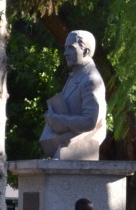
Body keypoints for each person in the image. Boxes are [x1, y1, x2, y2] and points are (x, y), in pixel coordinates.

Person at [40, 30, 107, 160]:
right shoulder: (75, 77)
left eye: (71, 48)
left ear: (86, 52)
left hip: (81, 147)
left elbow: (90, 121)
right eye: (65, 48)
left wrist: (58, 120)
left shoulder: (91, 80)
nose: (65, 53)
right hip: (63, 150)